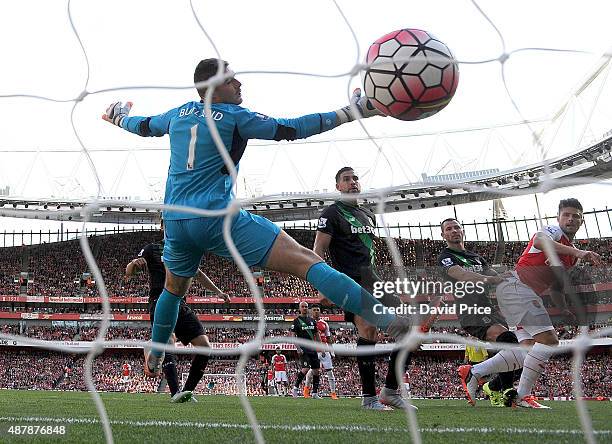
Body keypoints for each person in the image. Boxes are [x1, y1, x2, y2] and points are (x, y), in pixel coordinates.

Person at [102, 58, 411, 378]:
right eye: (232, 80)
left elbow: (142, 125)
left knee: (173, 290)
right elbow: (293, 128)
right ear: (213, 87)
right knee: (307, 262)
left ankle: (156, 346)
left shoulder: (177, 114)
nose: (239, 84)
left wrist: (119, 115)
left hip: (177, 223)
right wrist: (351, 112)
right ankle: (389, 321)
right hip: (216, 217)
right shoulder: (235, 117)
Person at [462, 199, 602, 409]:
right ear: (558, 218)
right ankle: (522, 395)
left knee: (527, 351)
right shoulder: (553, 232)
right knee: (549, 341)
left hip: (517, 292)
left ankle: (474, 372)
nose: (570, 219)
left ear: (582, 221)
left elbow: (555, 287)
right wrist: (578, 252)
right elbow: (539, 241)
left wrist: (563, 308)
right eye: (566, 215)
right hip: (516, 287)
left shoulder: (570, 255)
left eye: (575, 216)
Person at [313, 166, 413, 410]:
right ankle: (369, 398)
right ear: (338, 186)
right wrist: (322, 285)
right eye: (346, 179)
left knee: (409, 329)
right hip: (348, 281)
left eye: (355, 178)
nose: (352, 182)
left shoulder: (368, 214)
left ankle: (389, 391)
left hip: (373, 279)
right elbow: (318, 250)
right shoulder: (331, 213)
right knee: (368, 330)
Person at [125, 218, 229, 402]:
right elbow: (129, 272)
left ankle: (186, 392)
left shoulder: (185, 249)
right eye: (168, 222)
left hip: (181, 303)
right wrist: (134, 264)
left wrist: (219, 292)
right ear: (162, 226)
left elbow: (198, 273)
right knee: (169, 340)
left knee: (205, 348)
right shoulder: (151, 249)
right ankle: (174, 392)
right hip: (159, 300)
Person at [437, 218, 524, 407]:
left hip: (490, 309)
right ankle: (507, 389)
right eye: (449, 229)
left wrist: (510, 277)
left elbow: (494, 274)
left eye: (457, 227)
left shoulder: (476, 257)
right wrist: (491, 279)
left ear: (462, 230)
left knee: (519, 357)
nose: (453, 231)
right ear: (443, 235)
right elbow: (462, 275)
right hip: (471, 310)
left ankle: (491, 386)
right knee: (507, 340)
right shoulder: (445, 257)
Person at [304, 304, 338, 399]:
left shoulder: (324, 323)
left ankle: (333, 393)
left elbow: (328, 338)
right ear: (311, 311)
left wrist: (332, 351)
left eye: (317, 309)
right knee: (312, 372)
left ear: (320, 311)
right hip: (313, 351)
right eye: (314, 309)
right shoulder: (307, 322)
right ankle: (306, 390)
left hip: (324, 350)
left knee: (330, 372)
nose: (316, 311)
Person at [290, 301, 322, 399]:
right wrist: (298, 348)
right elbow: (293, 336)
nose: (304, 308)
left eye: (306, 307)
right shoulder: (296, 321)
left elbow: (317, 335)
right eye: (303, 307)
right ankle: (295, 388)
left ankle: (315, 393)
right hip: (303, 349)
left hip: (312, 349)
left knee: (316, 371)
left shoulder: (312, 321)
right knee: (305, 369)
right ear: (299, 308)